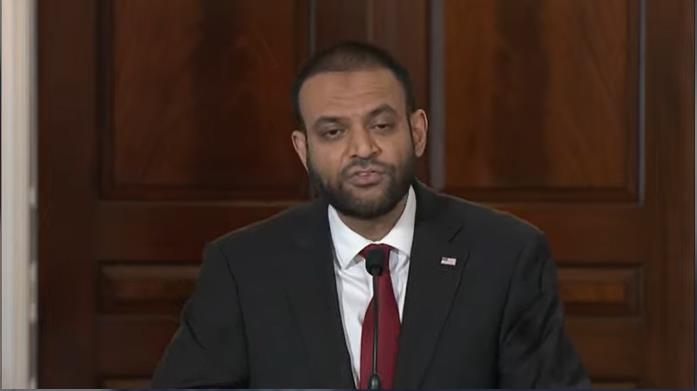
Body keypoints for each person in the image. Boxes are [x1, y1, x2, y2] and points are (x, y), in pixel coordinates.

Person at [151, 41, 590, 389]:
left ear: (416, 132)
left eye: (381, 125)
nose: (362, 148)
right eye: (333, 131)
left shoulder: (506, 255)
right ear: (304, 151)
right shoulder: (243, 266)